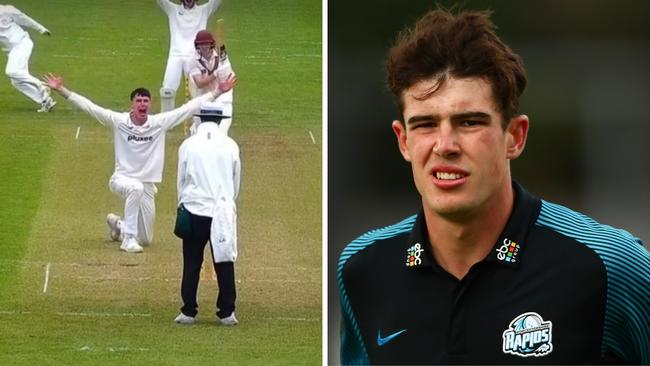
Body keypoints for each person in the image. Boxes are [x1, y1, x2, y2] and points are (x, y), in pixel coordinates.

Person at [337, 8, 649, 365]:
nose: (445, 145)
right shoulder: (363, 268)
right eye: (424, 124)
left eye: (469, 122)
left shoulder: (608, 265)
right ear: (403, 141)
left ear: (514, 136)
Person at [41, 72, 236, 253]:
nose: (142, 104)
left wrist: (218, 91)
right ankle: (128, 240)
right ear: (132, 104)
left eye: (146, 101)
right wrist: (61, 90)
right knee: (135, 189)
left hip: (147, 184)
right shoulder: (119, 121)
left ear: (150, 105)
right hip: (121, 179)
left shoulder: (158, 123)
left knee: (147, 239)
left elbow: (187, 109)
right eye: (138, 101)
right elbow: (90, 107)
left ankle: (118, 224)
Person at [174, 101, 240, 326]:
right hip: (221, 211)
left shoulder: (188, 145)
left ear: (201, 119)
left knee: (191, 262)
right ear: (220, 121)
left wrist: (182, 203)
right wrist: (229, 201)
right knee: (224, 260)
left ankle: (188, 311)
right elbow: (235, 179)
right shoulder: (230, 145)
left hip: (194, 209)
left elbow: (181, 179)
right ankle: (227, 312)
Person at [156, 0, 222, 112]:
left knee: (198, 91)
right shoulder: (173, 9)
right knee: (167, 91)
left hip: (195, 55)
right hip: (176, 54)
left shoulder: (204, 10)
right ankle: (165, 122)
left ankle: (199, 123)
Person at [0, 4, 55, 112]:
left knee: (11, 72)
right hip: (13, 50)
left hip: (22, 43)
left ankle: (42, 85)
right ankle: (45, 101)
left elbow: (24, 18)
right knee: (16, 81)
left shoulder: (6, 10)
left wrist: (41, 29)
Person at [188, 29, 235, 134]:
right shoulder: (192, 61)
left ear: (211, 44)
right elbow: (199, 83)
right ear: (197, 45)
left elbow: (228, 75)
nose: (204, 47)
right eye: (201, 44)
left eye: (207, 43)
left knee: (221, 131)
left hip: (223, 97)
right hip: (203, 97)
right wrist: (215, 74)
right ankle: (193, 130)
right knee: (201, 132)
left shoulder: (221, 54)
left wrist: (222, 73)